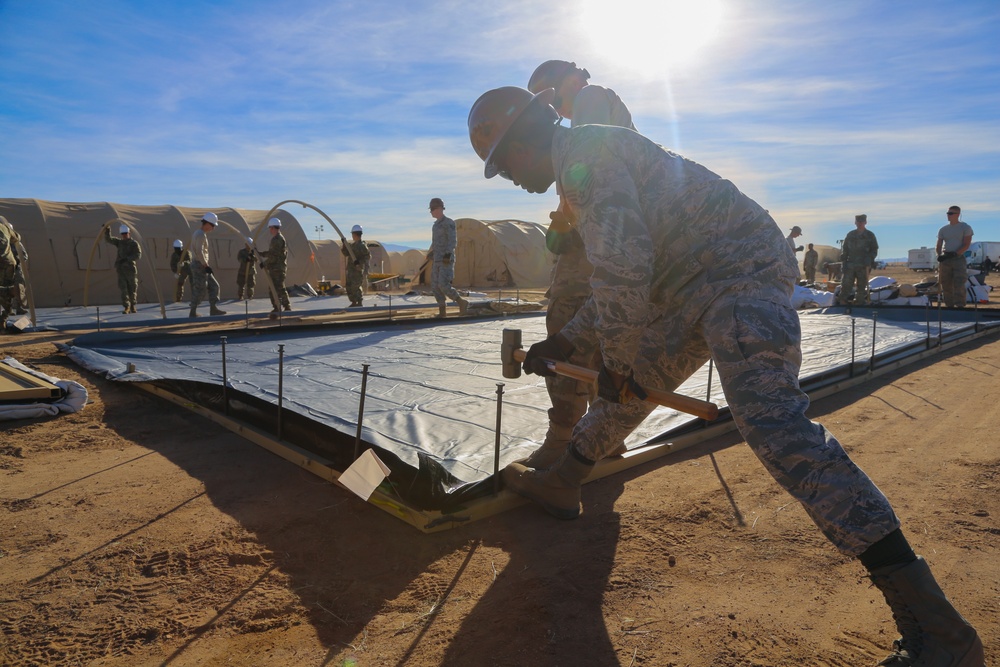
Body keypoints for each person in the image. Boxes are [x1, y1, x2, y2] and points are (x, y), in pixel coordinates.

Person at [467, 85, 982, 666]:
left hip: (739, 272)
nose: (506, 178)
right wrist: (564, 342)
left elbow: (623, 271)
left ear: (528, 137)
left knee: (776, 428)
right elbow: (624, 274)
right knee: (634, 384)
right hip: (690, 285)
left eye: (503, 162)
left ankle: (942, 633)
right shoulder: (579, 166)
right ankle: (565, 479)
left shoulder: (587, 159)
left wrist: (612, 361)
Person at [521, 60, 631, 467]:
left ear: (567, 83)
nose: (553, 112)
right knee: (604, 344)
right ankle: (606, 438)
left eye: (549, 100)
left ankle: (563, 437)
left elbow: (591, 168)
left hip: (590, 252)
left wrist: (568, 220)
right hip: (598, 241)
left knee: (566, 335)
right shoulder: (592, 111)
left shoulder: (591, 98)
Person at [428, 198, 469, 317]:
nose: (431, 212)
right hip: (437, 259)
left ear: (440, 208)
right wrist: (432, 253)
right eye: (431, 210)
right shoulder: (435, 226)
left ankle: (461, 302)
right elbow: (436, 243)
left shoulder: (448, 223)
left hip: (446, 259)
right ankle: (442, 311)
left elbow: (452, 241)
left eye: (433, 209)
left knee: (443, 284)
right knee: (435, 286)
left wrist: (447, 254)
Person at [189, 212, 226, 318]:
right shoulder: (200, 234)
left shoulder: (199, 233)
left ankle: (213, 309)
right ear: (208, 223)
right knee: (199, 289)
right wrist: (206, 265)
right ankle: (193, 312)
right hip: (199, 265)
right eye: (213, 225)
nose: (213, 228)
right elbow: (199, 251)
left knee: (214, 286)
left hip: (201, 264)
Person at [838, 214, 879, 306]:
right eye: (858, 222)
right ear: (855, 223)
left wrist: (870, 258)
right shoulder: (850, 235)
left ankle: (859, 302)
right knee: (846, 284)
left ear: (865, 222)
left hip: (863, 265)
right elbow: (845, 249)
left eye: (862, 222)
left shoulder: (870, 235)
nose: (860, 224)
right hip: (850, 265)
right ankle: (842, 301)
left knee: (861, 286)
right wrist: (843, 261)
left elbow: (874, 250)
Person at [936, 206, 973, 308]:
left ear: (958, 214)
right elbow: (939, 244)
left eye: (951, 213)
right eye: (948, 213)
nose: (948, 215)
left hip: (958, 258)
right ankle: (949, 306)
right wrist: (939, 256)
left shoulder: (965, 227)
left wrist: (956, 253)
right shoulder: (943, 229)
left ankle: (960, 306)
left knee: (959, 283)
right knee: (946, 283)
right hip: (945, 258)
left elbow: (966, 244)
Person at [104, 223, 142, 314]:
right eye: (123, 234)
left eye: (126, 233)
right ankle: (126, 306)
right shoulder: (119, 242)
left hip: (130, 269)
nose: (124, 235)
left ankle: (133, 305)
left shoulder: (134, 244)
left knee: (132, 288)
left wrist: (127, 259)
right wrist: (107, 231)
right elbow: (109, 239)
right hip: (121, 269)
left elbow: (138, 255)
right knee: (123, 288)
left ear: (129, 233)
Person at [258, 217, 291, 317]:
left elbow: (274, 256)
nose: (270, 230)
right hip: (275, 268)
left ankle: (285, 306)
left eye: (270, 228)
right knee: (274, 288)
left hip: (277, 268)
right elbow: (272, 253)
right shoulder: (277, 239)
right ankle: (278, 306)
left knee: (278, 288)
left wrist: (265, 263)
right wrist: (261, 254)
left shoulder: (277, 239)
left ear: (273, 228)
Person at [1, 216, 28, 315]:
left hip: (15, 268)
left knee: (16, 286)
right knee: (7, 286)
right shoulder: (5, 236)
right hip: (8, 266)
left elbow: (24, 255)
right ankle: (9, 309)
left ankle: (18, 306)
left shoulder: (17, 244)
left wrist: (18, 261)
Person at [341, 224, 371, 307]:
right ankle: (353, 302)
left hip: (357, 270)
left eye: (353, 234)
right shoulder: (352, 246)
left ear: (355, 234)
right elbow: (346, 253)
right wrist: (344, 245)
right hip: (351, 270)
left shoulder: (362, 246)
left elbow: (367, 256)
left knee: (356, 286)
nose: (352, 236)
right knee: (349, 287)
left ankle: (359, 302)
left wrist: (359, 263)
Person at [0, 216, 17, 329]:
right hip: (7, 262)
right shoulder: (6, 228)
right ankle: (4, 319)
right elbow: (16, 238)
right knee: (6, 289)